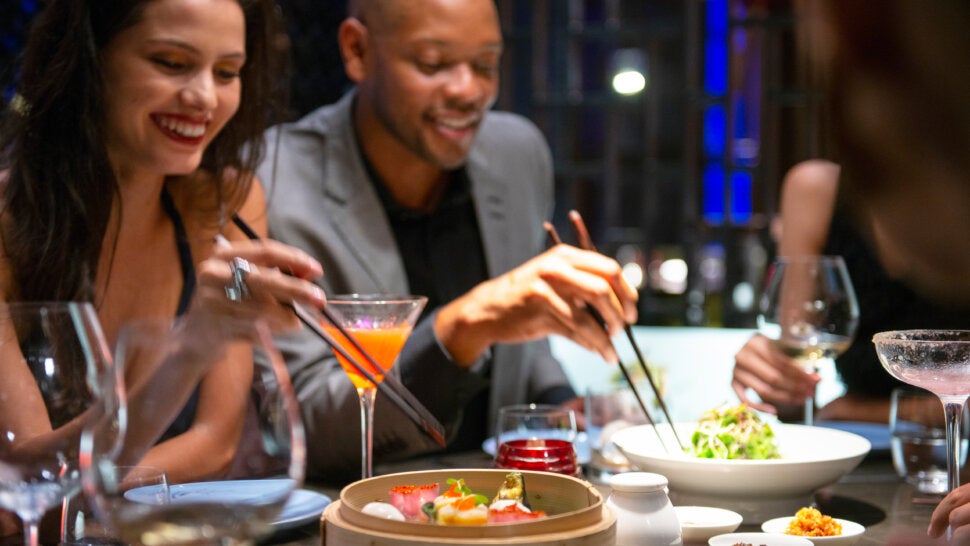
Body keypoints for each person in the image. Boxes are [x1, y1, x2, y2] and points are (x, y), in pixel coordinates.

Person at [258, 0, 638, 481]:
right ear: (357, 50)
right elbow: (298, 428)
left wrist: (561, 402)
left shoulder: (516, 155)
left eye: (485, 65)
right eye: (432, 64)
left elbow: (526, 345)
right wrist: (460, 329)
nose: (468, 91)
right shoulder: (273, 181)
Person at [0, 0, 328, 536]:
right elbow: (32, 488)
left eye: (227, 73)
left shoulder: (227, 201)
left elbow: (216, 443)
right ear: (89, 59)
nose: (204, 97)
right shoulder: (7, 227)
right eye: (172, 63)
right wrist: (190, 349)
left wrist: (99, 491)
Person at [792, 1, 970, 543]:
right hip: (877, 490)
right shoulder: (818, 192)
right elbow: (799, 368)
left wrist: (868, 408)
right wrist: (771, 373)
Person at [731, 159, 967, 423]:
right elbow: (796, 404)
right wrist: (772, 376)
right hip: (865, 453)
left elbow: (831, 414)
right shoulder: (817, 191)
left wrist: (861, 412)